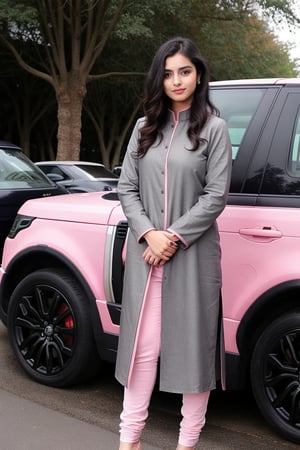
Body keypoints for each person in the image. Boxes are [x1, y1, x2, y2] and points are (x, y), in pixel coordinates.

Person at [115, 36, 232, 450]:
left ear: (198, 75)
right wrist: (150, 233)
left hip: (194, 257)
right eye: (167, 73)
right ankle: (129, 441)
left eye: (184, 71)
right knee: (140, 353)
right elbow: (127, 188)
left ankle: (187, 444)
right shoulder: (144, 127)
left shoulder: (214, 129)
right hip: (147, 256)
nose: (176, 80)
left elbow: (216, 195)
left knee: (192, 350)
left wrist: (174, 237)